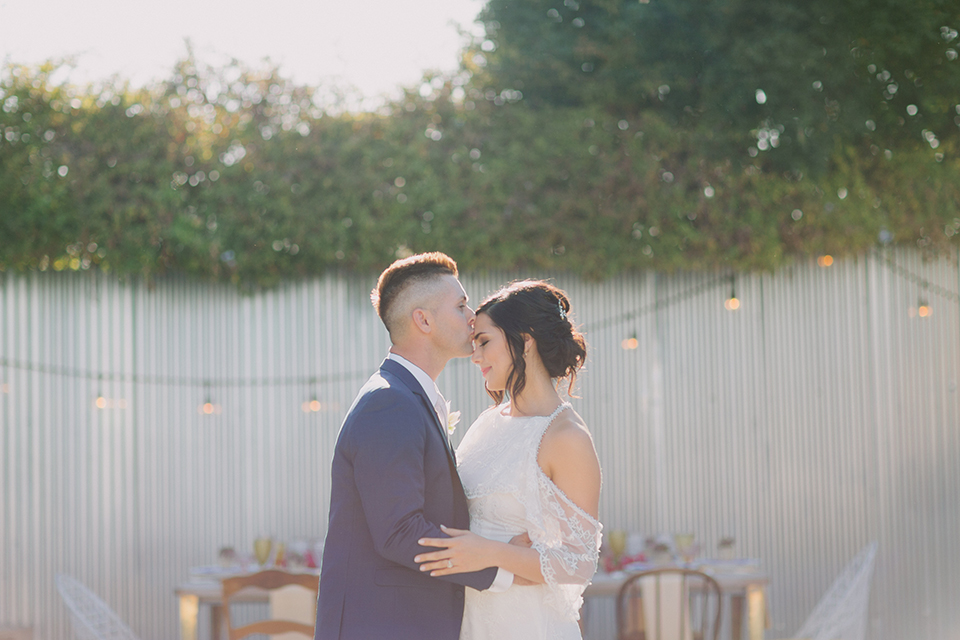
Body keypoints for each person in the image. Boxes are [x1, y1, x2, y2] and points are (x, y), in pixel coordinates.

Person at [315, 252, 516, 640]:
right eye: (460, 306)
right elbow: (400, 532)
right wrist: (501, 566)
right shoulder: (389, 402)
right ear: (423, 320)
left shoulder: (405, 397)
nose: (473, 316)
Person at [415, 279, 603, 640]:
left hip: (528, 624)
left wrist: (490, 552)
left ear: (526, 341)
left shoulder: (566, 437)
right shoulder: (487, 424)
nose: (475, 357)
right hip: (471, 620)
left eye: (484, 342)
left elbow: (580, 563)